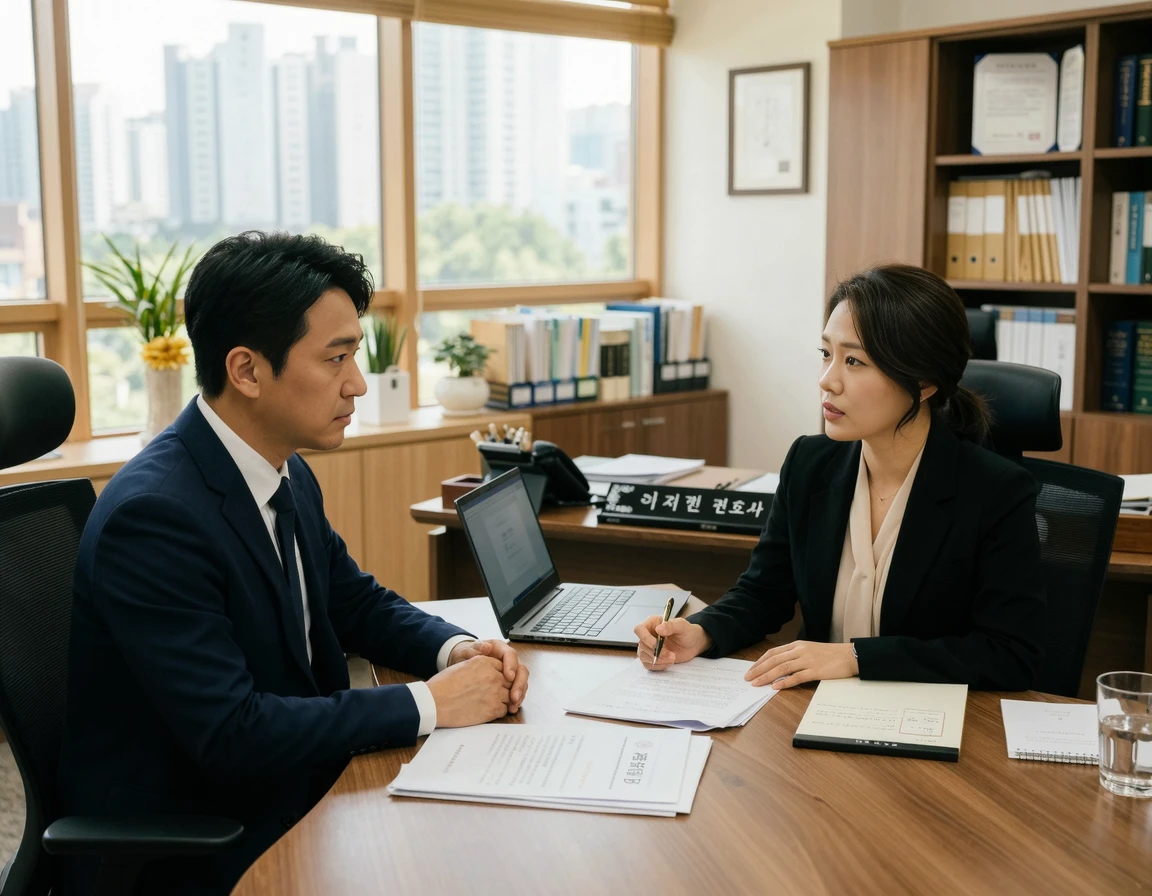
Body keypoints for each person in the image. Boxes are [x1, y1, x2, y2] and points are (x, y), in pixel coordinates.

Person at [58, 232, 528, 895]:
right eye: (335, 358)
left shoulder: (282, 469)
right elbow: (232, 733)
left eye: (354, 355)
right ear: (247, 371)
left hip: (295, 784)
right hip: (203, 839)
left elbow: (353, 601)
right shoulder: (155, 517)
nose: (356, 384)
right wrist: (430, 702)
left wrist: (455, 651)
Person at [635, 264, 1044, 691]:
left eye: (854, 361)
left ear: (924, 383)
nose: (827, 381)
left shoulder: (996, 491)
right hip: (814, 707)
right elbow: (763, 593)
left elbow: (1010, 654)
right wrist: (702, 631)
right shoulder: (810, 463)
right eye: (826, 354)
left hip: (928, 717)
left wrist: (855, 657)